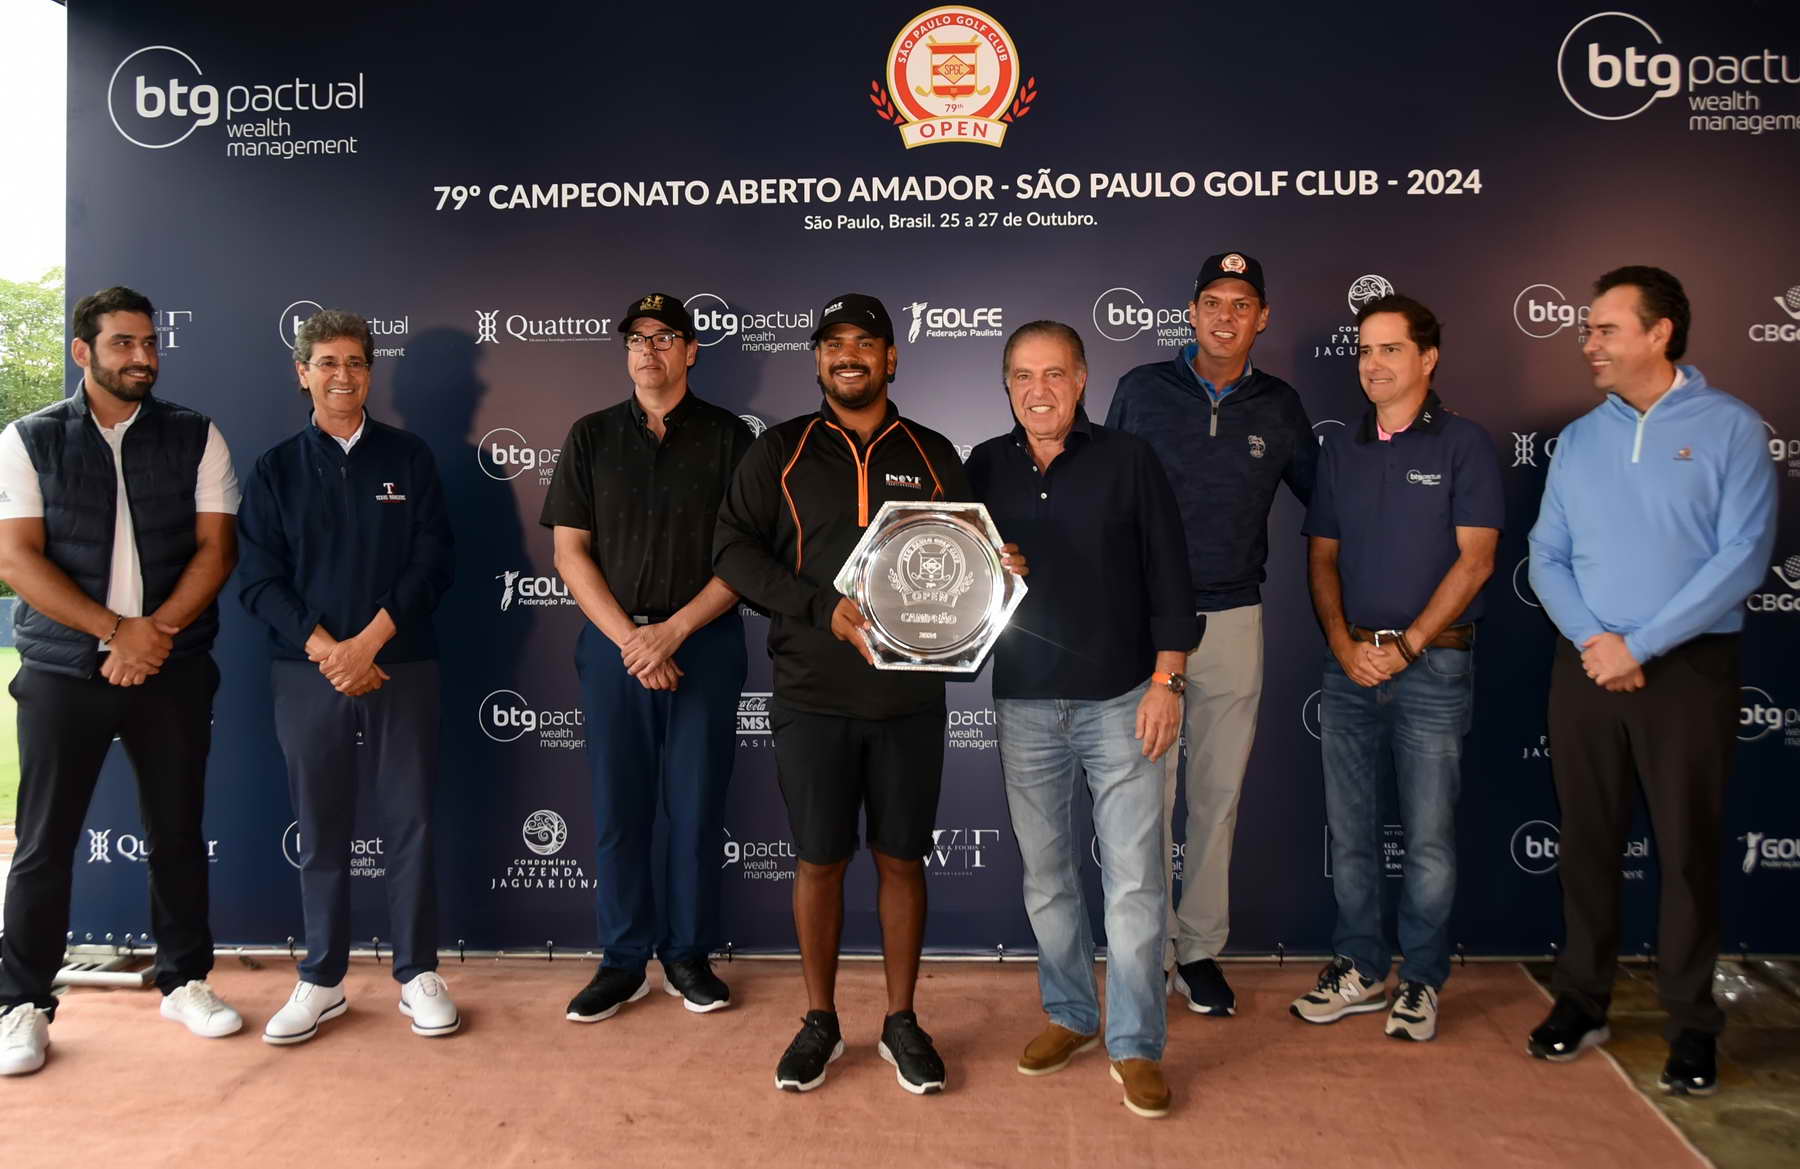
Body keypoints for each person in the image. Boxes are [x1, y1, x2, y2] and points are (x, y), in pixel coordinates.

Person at [715, 293, 1021, 1095]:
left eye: (864, 342)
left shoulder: (932, 451)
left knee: (901, 859)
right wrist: (819, 606)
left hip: (907, 702)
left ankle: (901, 1020)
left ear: (891, 357)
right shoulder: (779, 451)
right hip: (811, 695)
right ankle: (819, 1019)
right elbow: (733, 552)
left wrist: (997, 573)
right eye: (833, 343)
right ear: (818, 358)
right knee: (819, 860)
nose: (848, 355)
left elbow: (964, 558)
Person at [1525, 266, 1776, 1096]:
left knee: (1688, 852)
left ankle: (1693, 1023)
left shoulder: (1731, 427)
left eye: (1605, 329)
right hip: (1587, 664)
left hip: (1688, 669)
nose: (1588, 343)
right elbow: (1546, 554)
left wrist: (1642, 644)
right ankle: (1581, 1001)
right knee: (1587, 844)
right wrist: (1597, 640)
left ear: (1660, 332)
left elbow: (1743, 556)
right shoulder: (1579, 439)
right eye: (1587, 329)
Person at [0, 287, 242, 1076]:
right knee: (44, 842)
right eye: (122, 343)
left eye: (148, 342)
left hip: (172, 666)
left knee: (177, 832)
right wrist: (114, 630)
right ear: (84, 351)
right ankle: (22, 1001)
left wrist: (152, 634)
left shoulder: (196, 434)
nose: (142, 356)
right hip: (64, 671)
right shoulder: (28, 439)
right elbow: (16, 559)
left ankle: (185, 979)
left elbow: (217, 550)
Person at [969, 321, 1195, 1119]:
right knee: (1046, 875)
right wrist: (996, 570)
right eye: (1024, 375)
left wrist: (1169, 679)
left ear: (1082, 378)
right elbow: (957, 575)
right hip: (1024, 701)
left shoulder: (1129, 459)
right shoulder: (982, 465)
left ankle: (1136, 1043)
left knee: (1134, 881)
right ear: (1007, 385)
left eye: (1055, 373)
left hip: (1124, 698)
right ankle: (1071, 1014)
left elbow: (1172, 574)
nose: (1040, 390)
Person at [237, 309, 458, 1044]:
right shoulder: (274, 469)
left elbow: (433, 563)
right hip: (309, 672)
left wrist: (369, 643)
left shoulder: (410, 457)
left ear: (370, 371)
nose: (343, 375)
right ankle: (322, 977)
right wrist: (331, 650)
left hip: (402, 663)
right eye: (327, 362)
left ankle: (417, 972)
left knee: (411, 821)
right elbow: (258, 581)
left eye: (356, 362)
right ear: (302, 372)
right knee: (321, 825)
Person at [1105, 251, 1315, 1016]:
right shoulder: (1142, 391)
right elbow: (1104, 492)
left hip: (1233, 617)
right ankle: (1147, 948)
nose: (1226, 316)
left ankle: (1197, 950)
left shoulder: (1280, 405)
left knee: (1216, 796)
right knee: (1145, 797)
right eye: (1213, 302)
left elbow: (1329, 503)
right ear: (1191, 313)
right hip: (1146, 620)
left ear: (1262, 318)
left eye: (1242, 303)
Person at [1295, 294, 1502, 1042]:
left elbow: (1477, 560)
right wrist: (1343, 645)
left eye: (1390, 349)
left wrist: (1408, 645)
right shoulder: (1341, 450)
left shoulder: (1465, 444)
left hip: (1433, 667)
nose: (1373, 363)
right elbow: (1322, 557)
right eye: (1364, 350)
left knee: (1429, 837)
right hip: (1349, 666)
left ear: (1427, 358)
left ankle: (1420, 978)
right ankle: (1360, 967)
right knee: (1350, 832)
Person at [540, 293, 751, 1021]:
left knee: (695, 811)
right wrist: (634, 640)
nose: (649, 350)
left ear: (691, 351)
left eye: (664, 338)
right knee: (619, 810)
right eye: (637, 338)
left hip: (704, 646)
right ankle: (623, 961)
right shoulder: (591, 435)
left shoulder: (731, 438)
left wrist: (674, 630)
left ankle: (688, 955)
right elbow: (569, 552)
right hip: (613, 649)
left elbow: (746, 558)